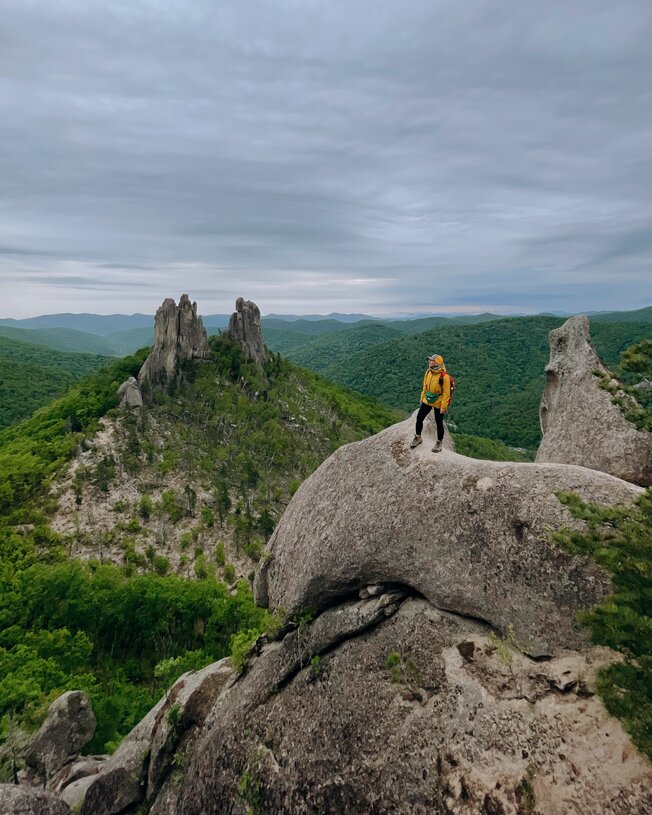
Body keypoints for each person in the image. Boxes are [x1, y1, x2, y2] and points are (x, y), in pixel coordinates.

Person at [410, 353, 451, 452]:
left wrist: (443, 406)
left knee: (439, 423)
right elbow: (425, 385)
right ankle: (418, 437)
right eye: (429, 360)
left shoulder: (444, 377)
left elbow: (446, 393)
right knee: (419, 418)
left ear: (437, 363)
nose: (429, 361)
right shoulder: (428, 372)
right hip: (427, 399)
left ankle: (439, 443)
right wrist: (422, 397)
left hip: (438, 402)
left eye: (431, 360)